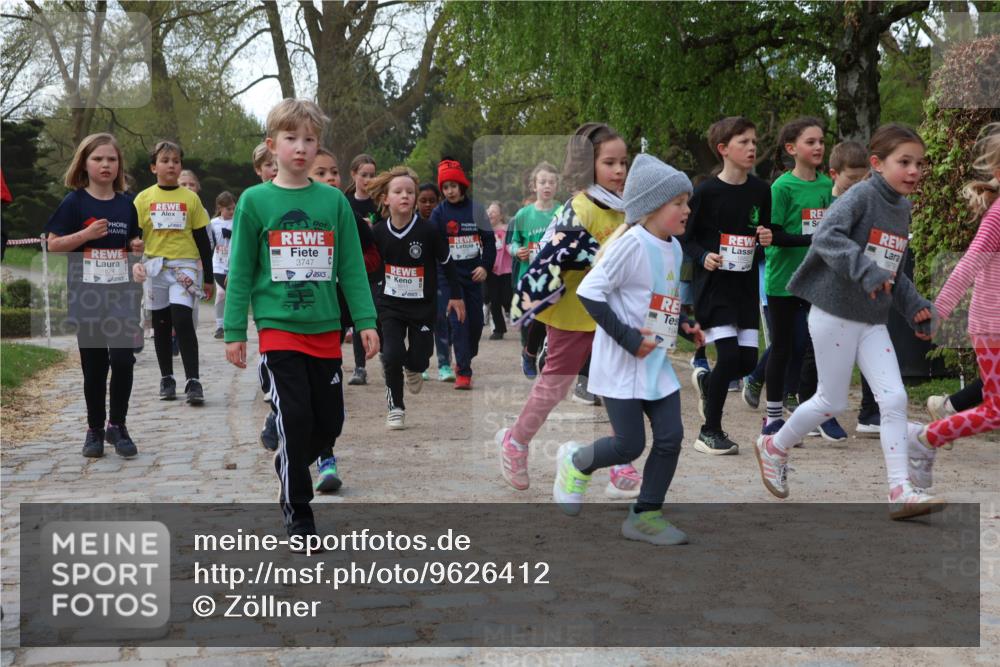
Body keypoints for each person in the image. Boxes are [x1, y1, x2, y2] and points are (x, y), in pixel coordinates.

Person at [753, 124, 940, 520]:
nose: (913, 171)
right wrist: (866, 272)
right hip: (834, 314)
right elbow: (826, 238)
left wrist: (916, 307)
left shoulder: (902, 208)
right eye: (903, 162)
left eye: (918, 163)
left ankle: (899, 491)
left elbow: (894, 267)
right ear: (876, 164)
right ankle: (774, 446)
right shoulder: (861, 196)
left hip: (871, 320)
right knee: (831, 401)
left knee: (894, 399)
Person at [223, 98, 378, 545]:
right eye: (291, 138)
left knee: (327, 424)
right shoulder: (255, 201)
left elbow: (351, 266)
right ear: (272, 146)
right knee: (293, 419)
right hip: (278, 330)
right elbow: (241, 273)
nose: (301, 148)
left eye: (310, 140)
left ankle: (289, 459)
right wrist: (236, 331)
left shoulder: (332, 202)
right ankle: (299, 512)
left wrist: (365, 320)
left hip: (325, 330)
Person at [553, 154, 703, 545]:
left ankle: (645, 515)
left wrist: (684, 325)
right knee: (628, 445)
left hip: (655, 363)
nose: (688, 210)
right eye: (679, 203)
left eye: (687, 202)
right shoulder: (631, 243)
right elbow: (589, 292)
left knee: (670, 437)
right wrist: (628, 338)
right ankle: (576, 462)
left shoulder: (672, 247)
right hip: (620, 362)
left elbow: (659, 300)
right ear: (653, 207)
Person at [498, 122, 631, 491]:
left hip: (611, 316)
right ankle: (516, 441)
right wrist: (592, 255)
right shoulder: (578, 208)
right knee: (555, 385)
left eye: (624, 162)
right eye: (610, 163)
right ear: (588, 165)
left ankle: (623, 461)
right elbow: (552, 257)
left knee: (617, 385)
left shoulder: (627, 209)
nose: (619, 170)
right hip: (572, 315)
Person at [907, 123, 999, 471]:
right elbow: (965, 268)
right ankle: (925, 438)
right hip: (993, 327)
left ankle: (938, 420)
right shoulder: (997, 217)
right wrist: (937, 312)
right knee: (996, 409)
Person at [45, 133, 143, 458]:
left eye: (111, 159)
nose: (105, 165)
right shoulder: (75, 202)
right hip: (87, 297)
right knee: (96, 366)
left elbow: (132, 247)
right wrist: (85, 235)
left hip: (121, 297)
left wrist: (136, 253)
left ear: (119, 165)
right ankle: (95, 430)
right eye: (98, 159)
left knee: (123, 360)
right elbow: (52, 244)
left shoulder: (127, 204)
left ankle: (118, 425)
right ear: (84, 164)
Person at [680, 116, 774, 455]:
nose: (752, 148)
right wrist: (704, 256)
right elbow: (686, 239)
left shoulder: (762, 191)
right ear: (723, 149)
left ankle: (708, 383)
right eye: (744, 142)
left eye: (754, 141)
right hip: (714, 288)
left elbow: (765, 234)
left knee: (747, 362)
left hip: (745, 288)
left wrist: (766, 238)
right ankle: (709, 431)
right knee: (730, 355)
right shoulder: (705, 192)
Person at [761, 117, 848, 441]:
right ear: (791, 148)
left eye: (821, 141)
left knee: (820, 347)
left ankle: (818, 412)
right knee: (783, 348)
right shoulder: (782, 187)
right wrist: (812, 241)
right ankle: (772, 417)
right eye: (810, 142)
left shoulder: (829, 186)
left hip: (820, 280)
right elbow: (775, 234)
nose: (818, 147)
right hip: (784, 279)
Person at [368, 166, 465, 428]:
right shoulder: (377, 232)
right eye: (398, 191)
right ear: (386, 198)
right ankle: (395, 407)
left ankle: (413, 367)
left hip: (422, 306)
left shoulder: (428, 230)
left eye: (410, 192)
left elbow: (447, 263)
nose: (405, 196)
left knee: (420, 358)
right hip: (389, 305)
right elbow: (369, 268)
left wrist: (456, 296)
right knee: (392, 355)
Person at [132, 140, 214, 405]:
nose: (171, 165)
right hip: (156, 267)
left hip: (184, 267)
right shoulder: (143, 199)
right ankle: (167, 378)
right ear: (154, 167)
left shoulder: (190, 198)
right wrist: (134, 253)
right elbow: (134, 236)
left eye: (176, 161)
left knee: (182, 319)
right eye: (165, 161)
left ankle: (193, 380)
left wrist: (210, 277)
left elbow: (202, 239)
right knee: (161, 324)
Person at [428, 158, 495, 389]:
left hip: (473, 276)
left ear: (462, 185)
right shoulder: (438, 214)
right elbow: (435, 248)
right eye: (445, 187)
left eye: (453, 186)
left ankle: (466, 355)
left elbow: (489, 241)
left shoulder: (476, 210)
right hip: (449, 279)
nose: (449, 191)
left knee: (475, 325)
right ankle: (463, 371)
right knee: (458, 322)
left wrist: (485, 267)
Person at [509, 162, 560, 378]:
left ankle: (541, 354)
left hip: (554, 276)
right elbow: (511, 243)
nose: (547, 186)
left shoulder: (562, 211)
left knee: (550, 318)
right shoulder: (523, 214)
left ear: (557, 186)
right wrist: (516, 251)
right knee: (530, 320)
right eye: (542, 182)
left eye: (551, 182)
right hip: (528, 275)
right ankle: (528, 352)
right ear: (534, 186)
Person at [345, 153, 379, 386]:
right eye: (363, 175)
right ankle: (358, 366)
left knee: (374, 313)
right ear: (354, 174)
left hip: (377, 263)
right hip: (351, 262)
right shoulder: (345, 200)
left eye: (371, 175)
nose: (367, 179)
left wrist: (373, 227)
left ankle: (376, 360)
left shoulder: (380, 200)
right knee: (352, 315)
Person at [208, 191, 236, 339]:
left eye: (233, 208)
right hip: (218, 263)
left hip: (233, 264)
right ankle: (220, 326)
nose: (231, 211)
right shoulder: (213, 224)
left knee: (232, 295)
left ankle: (231, 324)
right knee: (221, 293)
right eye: (228, 209)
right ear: (220, 207)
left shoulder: (238, 221)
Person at [486, 201, 513, 340]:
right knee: (494, 301)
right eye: (489, 211)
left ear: (501, 215)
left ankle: (511, 312)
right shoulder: (485, 231)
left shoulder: (507, 229)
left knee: (507, 298)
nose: (490, 213)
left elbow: (513, 244)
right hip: (491, 271)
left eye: (494, 211)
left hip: (507, 270)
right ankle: (499, 329)